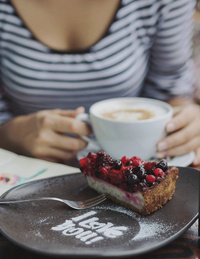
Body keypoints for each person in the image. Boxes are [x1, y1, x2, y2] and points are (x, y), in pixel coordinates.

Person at [0, 0, 200, 164]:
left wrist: (185, 123)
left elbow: (170, 88)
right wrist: (10, 135)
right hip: (25, 170)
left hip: (136, 170)